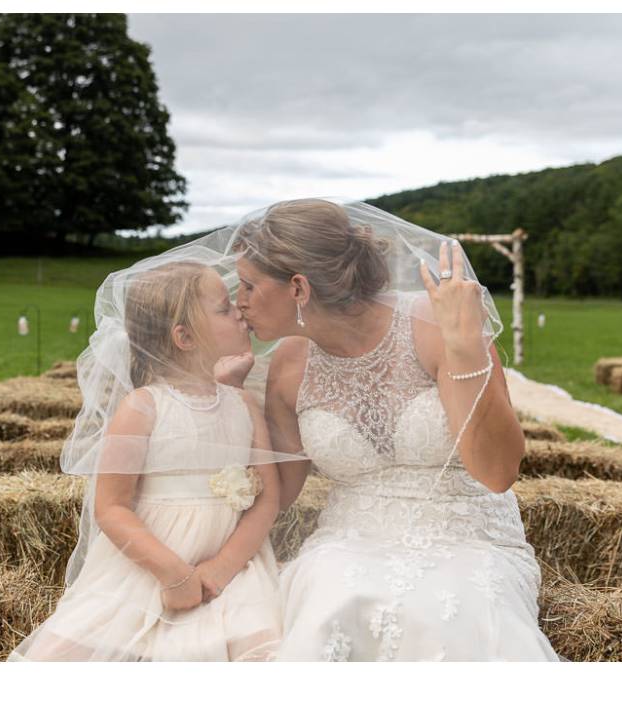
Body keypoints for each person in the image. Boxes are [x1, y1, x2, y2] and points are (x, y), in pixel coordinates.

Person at [218, 198, 563, 661]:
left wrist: (464, 348)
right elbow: (276, 495)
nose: (238, 302)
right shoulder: (288, 365)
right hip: (347, 542)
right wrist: (226, 402)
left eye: (248, 286)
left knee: (453, 614)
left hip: (468, 537)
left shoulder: (434, 325)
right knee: (331, 602)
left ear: (298, 288)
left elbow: (498, 472)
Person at [7, 257, 294, 661]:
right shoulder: (142, 408)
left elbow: (268, 497)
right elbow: (111, 506)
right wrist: (173, 573)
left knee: (258, 644)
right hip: (149, 567)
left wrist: (224, 565)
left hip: (234, 571)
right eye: (223, 308)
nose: (240, 312)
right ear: (185, 337)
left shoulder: (243, 405)